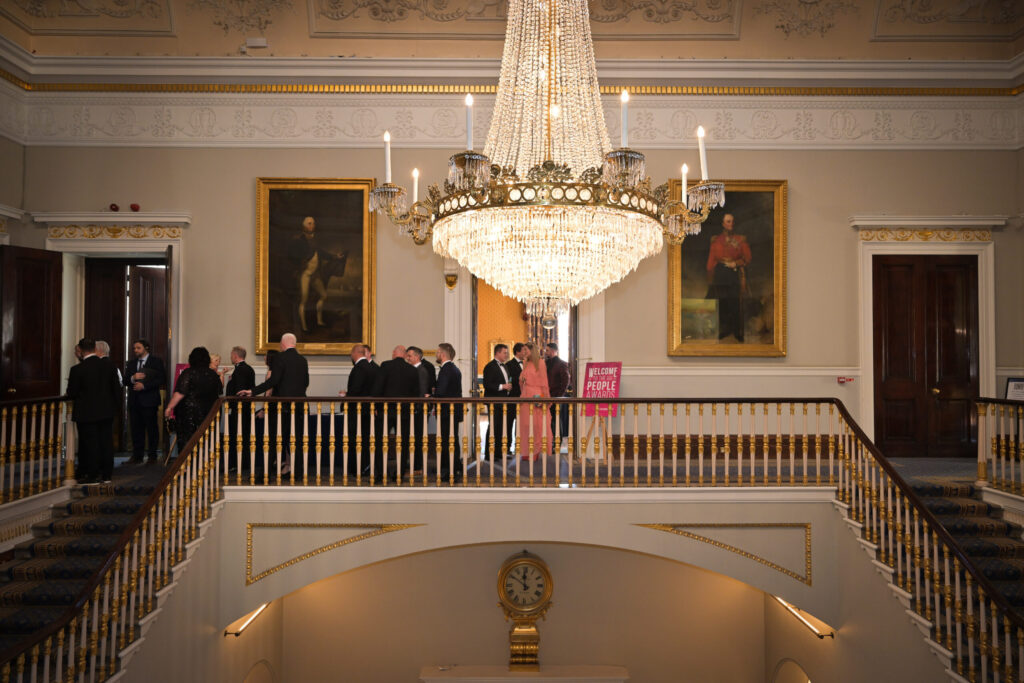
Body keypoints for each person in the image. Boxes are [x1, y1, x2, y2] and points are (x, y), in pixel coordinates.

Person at [238, 333, 309, 476]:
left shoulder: (279, 358)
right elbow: (306, 382)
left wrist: (252, 391)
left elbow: (273, 381)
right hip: (299, 406)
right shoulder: (303, 360)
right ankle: (299, 472)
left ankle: (265, 473)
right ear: (294, 344)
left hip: (282, 407)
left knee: (274, 440)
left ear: (283, 344)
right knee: (296, 441)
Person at [66, 338, 121, 484]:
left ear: (82, 350)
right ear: (94, 348)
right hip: (106, 412)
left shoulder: (77, 370)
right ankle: (107, 474)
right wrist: (115, 409)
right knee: (106, 442)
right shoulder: (109, 367)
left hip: (86, 413)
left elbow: (71, 393)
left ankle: (93, 475)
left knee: (90, 444)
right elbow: (117, 390)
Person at [288, 216, 347, 333]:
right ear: (304, 226)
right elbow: (292, 257)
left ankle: (319, 321)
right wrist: (300, 264)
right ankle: (303, 326)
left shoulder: (314, 240)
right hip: (305, 274)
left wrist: (335, 256)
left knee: (323, 295)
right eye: (310, 223)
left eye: (313, 223)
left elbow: (321, 253)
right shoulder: (299, 241)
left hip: (315, 275)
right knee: (303, 300)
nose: (312, 225)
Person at [373, 345, 419, 481]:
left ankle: (381, 474)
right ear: (404, 355)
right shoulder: (412, 370)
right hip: (404, 412)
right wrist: (412, 408)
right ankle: (399, 473)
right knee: (403, 443)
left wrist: (376, 406)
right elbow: (416, 393)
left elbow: (378, 387)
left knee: (381, 442)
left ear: (394, 354)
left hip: (385, 411)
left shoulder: (385, 366)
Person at [706, 212, 752, 342]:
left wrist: (736, 263)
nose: (731, 223)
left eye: (732, 221)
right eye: (728, 221)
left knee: (735, 303)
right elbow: (711, 262)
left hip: (734, 274)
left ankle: (737, 332)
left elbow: (747, 258)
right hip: (720, 274)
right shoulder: (716, 241)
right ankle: (724, 330)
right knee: (722, 303)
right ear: (723, 224)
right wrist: (710, 279)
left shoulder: (740, 240)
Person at [164, 346, 222, 449]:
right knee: (206, 441)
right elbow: (219, 391)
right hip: (210, 412)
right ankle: (205, 463)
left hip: (189, 414)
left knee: (189, 443)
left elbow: (180, 393)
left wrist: (169, 407)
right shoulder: (213, 374)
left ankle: (188, 464)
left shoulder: (188, 373)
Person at [124, 338, 165, 465]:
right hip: (134, 401)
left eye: (138, 348)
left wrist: (145, 386)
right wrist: (132, 378)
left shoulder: (156, 361)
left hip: (150, 400)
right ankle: (137, 456)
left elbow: (161, 379)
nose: (135, 350)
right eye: (134, 348)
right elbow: (125, 381)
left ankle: (152, 456)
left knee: (152, 429)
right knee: (136, 429)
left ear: (146, 348)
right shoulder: (131, 363)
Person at [341, 343, 378, 473]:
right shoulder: (372, 367)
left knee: (357, 439)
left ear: (356, 353)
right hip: (369, 409)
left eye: (351, 353)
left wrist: (345, 400)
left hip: (358, 410)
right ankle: (366, 466)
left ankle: (357, 467)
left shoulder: (359, 368)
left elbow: (355, 389)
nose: (351, 356)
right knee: (366, 439)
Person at [434, 343, 463, 483]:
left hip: (447, 411)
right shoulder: (454, 369)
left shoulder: (446, 370)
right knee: (452, 440)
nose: (436, 354)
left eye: (438, 352)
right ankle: (454, 467)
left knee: (448, 441)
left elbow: (441, 392)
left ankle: (451, 471)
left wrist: (431, 396)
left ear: (442, 354)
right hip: (452, 411)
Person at [518, 342, 552, 461]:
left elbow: (544, 382)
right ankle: (527, 450)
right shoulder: (525, 362)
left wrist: (545, 398)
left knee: (537, 425)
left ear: (532, 350)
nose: (524, 352)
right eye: (523, 350)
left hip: (537, 395)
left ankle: (536, 451)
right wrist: (522, 380)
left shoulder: (541, 363)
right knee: (526, 425)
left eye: (526, 350)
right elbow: (521, 381)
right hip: (525, 396)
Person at [225, 346, 256, 464]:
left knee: (237, 436)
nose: (231, 357)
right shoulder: (248, 368)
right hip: (246, 408)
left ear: (235, 356)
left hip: (240, 409)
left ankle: (238, 463)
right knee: (244, 435)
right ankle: (244, 462)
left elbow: (240, 390)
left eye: (231, 355)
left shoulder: (240, 370)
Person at [406, 346, 435, 471]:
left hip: (418, 410)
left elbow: (422, 391)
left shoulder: (421, 371)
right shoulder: (413, 370)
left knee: (418, 437)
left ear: (417, 357)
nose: (407, 358)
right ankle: (414, 462)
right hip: (415, 409)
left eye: (410, 356)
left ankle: (417, 464)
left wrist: (417, 407)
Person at [483, 343, 512, 459]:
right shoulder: (490, 366)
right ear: (498, 353)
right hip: (493, 401)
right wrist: (503, 387)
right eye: (505, 353)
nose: (506, 355)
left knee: (501, 428)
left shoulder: (504, 366)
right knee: (493, 428)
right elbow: (488, 385)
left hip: (504, 402)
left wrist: (508, 388)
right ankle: (489, 454)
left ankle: (499, 452)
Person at [545, 342, 571, 449]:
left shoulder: (562, 364)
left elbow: (566, 381)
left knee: (556, 420)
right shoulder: (545, 363)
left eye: (547, 350)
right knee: (548, 420)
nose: (546, 352)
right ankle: (549, 441)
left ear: (553, 351)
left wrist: (559, 395)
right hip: (545, 396)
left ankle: (557, 443)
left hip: (556, 396)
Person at [505, 342, 527, 456]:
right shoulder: (508, 365)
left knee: (522, 424)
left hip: (525, 400)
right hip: (512, 399)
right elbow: (508, 380)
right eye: (524, 350)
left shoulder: (528, 364)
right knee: (509, 424)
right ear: (518, 352)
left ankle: (520, 446)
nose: (525, 352)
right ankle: (508, 447)